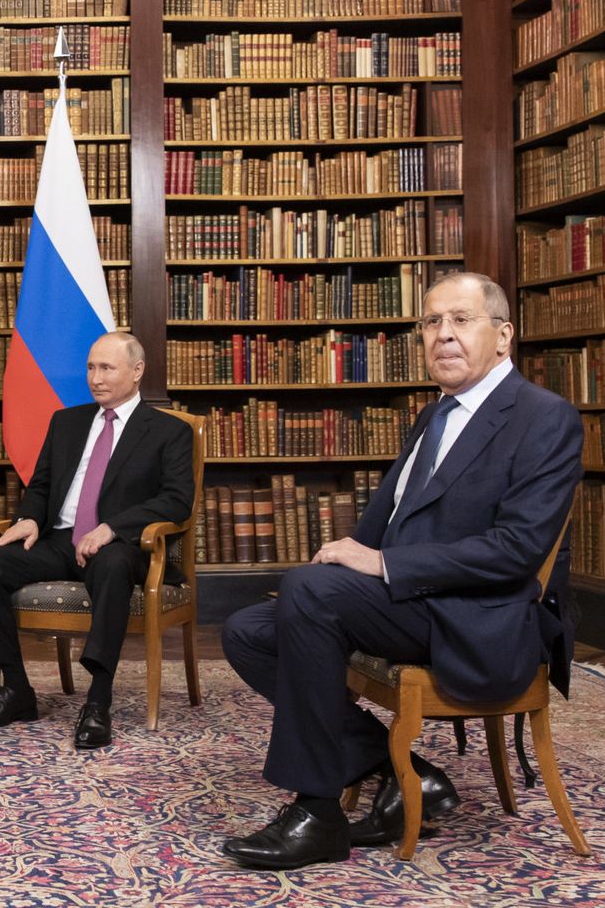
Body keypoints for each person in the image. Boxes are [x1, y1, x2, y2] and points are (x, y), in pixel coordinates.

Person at [219, 271, 582, 869]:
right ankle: (403, 770)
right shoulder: (433, 416)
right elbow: (386, 520)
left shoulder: (544, 417)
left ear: (504, 336)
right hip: (418, 599)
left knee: (308, 596)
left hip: (481, 615)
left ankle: (316, 813)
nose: (443, 336)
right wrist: (343, 558)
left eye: (461, 321)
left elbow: (516, 550)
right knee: (250, 631)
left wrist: (380, 563)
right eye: (430, 323)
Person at [0, 331, 194, 749]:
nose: (95, 377)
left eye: (106, 368)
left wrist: (112, 528)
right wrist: (30, 518)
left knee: (112, 564)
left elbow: (176, 501)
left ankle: (98, 702)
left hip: (121, 546)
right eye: (91, 367)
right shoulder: (67, 421)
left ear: (137, 371)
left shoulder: (167, 431)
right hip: (59, 541)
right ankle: (17, 690)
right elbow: (41, 484)